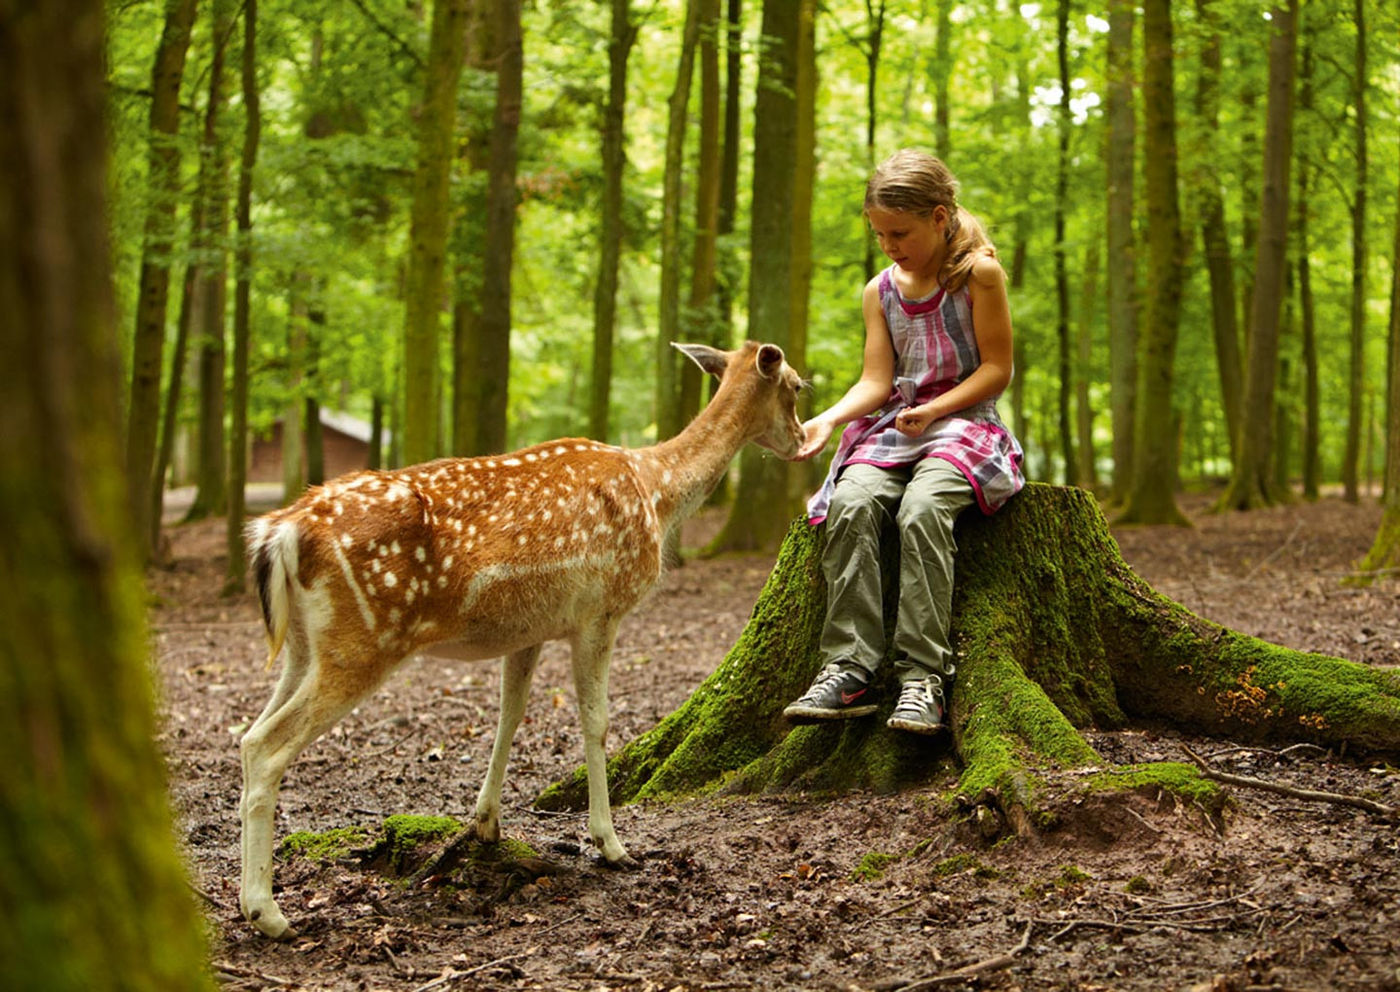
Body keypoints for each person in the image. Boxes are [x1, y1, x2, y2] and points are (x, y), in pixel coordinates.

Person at [784, 149, 1024, 735]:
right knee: (852, 502)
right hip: (897, 428)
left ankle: (923, 678)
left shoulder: (979, 276)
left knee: (921, 510)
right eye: (880, 234)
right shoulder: (880, 291)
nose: (890, 245)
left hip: (965, 425)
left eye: (901, 232)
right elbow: (876, 379)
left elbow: (997, 368)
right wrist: (829, 420)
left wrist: (936, 407)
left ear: (940, 217)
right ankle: (849, 666)